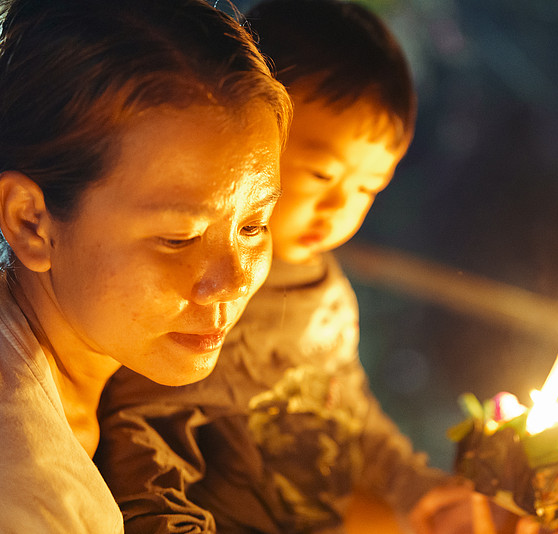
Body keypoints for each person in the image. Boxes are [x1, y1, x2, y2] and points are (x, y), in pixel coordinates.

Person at [94, 1, 480, 533]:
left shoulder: (328, 295)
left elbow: (351, 417)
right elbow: (141, 433)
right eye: (322, 174)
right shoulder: (201, 292)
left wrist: (417, 488)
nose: (339, 206)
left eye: (368, 187)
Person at [0, 0, 290, 531]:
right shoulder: (32, 499)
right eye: (179, 238)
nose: (235, 280)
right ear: (30, 223)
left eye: (253, 226)